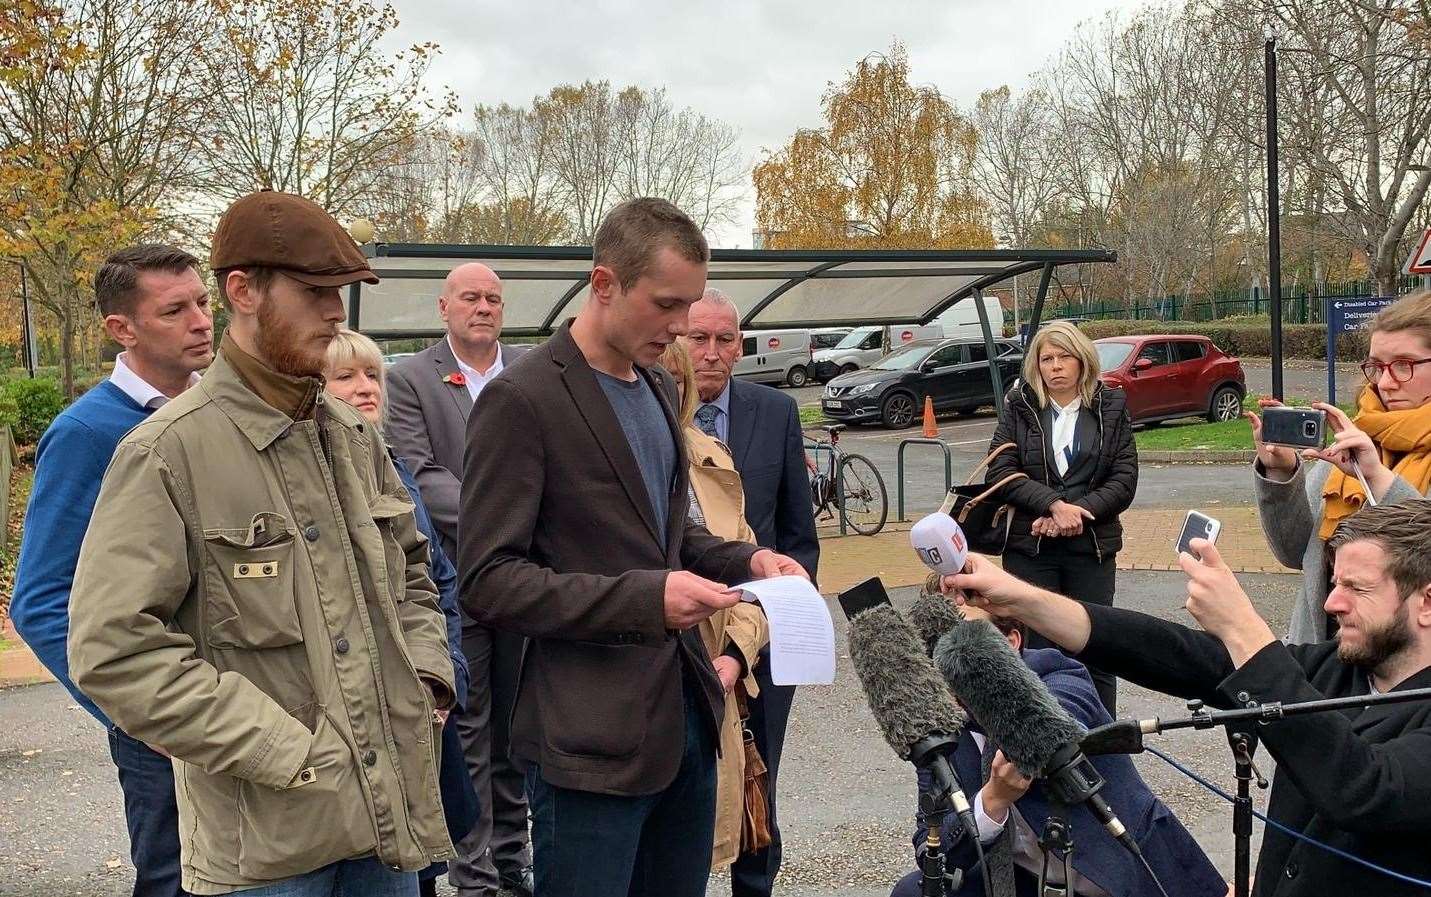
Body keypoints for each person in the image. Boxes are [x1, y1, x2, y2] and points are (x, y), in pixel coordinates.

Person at [67, 190, 455, 897]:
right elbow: (111, 647)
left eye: (339, 292)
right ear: (242, 290)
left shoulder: (353, 434)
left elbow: (415, 576)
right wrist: (284, 751)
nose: (336, 312)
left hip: (384, 829)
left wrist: (427, 675)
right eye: (314, 292)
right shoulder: (166, 451)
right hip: (266, 857)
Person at [460, 197, 808, 897]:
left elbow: (669, 532)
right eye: (666, 304)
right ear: (603, 284)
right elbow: (488, 580)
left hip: (682, 721)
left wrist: (748, 560)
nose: (681, 327)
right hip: (587, 747)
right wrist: (646, 598)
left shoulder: (652, 384)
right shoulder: (522, 399)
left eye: (690, 305)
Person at [940, 499, 1431, 897]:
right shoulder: (1338, 667)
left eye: (1357, 588)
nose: (1331, 602)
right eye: (1335, 582)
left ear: (1425, 603)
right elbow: (1183, 656)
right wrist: (1019, 598)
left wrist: (1245, 630)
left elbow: (1366, 789)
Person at [10, 244, 213, 897]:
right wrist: (135, 714)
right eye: (176, 309)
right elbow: (41, 600)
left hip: (246, 709)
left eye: (204, 302)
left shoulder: (223, 412)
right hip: (163, 729)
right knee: (177, 881)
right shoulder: (88, 433)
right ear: (121, 328)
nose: (202, 320)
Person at [890, 583, 1224, 897]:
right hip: (1027, 879)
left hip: (1120, 870)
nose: (953, 657)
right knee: (912, 891)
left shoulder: (1058, 674)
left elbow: (1054, 727)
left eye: (969, 639)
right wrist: (992, 801)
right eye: (940, 645)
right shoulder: (940, 724)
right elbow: (930, 848)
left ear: (1011, 641)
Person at [385, 262, 532, 897]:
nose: (483, 307)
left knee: (518, 726)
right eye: (470, 297)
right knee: (469, 730)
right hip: (461, 581)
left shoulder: (532, 368)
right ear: (443, 308)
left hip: (529, 584)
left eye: (493, 298)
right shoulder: (410, 379)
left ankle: (513, 862)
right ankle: (475, 879)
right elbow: (422, 477)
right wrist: (517, 514)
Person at [322, 329, 481, 897]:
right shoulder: (316, 478)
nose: (365, 389)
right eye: (345, 377)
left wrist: (444, 677)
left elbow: (436, 580)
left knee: (423, 864)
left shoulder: (391, 463)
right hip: (360, 724)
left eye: (372, 376)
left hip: (421, 710)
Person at [681, 288, 820, 897]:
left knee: (761, 770)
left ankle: (754, 886)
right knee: (690, 775)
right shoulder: (657, 416)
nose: (711, 353)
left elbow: (798, 533)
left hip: (765, 633)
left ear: (741, 346)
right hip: (686, 628)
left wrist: (787, 604)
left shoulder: (776, 411)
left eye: (724, 340)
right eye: (698, 338)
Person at [1252, 289, 1431, 644]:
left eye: (1403, 365)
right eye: (1376, 366)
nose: (1384, 382)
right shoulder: (1356, 435)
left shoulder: (1362, 454)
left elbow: (1423, 559)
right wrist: (1281, 473)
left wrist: (1377, 479)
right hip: (1330, 662)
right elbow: (1296, 554)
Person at [657, 341, 772, 870]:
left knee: (692, 858)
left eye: (673, 382)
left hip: (717, 683)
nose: (663, 391)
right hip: (645, 690)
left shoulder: (713, 459)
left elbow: (751, 579)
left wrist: (734, 656)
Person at [986, 320, 1136, 714]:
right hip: (1029, 550)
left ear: (1082, 360)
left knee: (1098, 650)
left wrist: (1076, 514)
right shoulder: (1018, 407)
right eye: (1046, 358)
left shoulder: (1112, 406)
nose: (1055, 366)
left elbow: (1124, 479)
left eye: (1063, 356)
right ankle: (1042, 747)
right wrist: (1052, 505)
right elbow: (999, 472)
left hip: (1091, 550)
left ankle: (1104, 743)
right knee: (1035, 652)